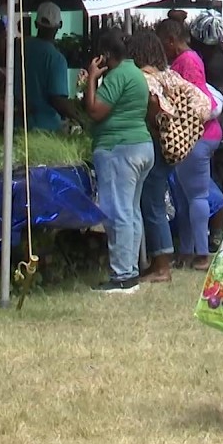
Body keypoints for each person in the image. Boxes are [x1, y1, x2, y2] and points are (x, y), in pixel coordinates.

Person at [83, 28, 154, 293]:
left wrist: (92, 78)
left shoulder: (118, 76)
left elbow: (95, 110)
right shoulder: (135, 73)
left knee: (118, 213)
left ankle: (122, 276)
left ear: (105, 54)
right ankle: (130, 272)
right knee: (131, 212)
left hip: (119, 149)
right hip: (141, 146)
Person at [157, 17, 221, 270]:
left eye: (163, 43)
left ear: (171, 40)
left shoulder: (187, 61)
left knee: (196, 196)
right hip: (197, 136)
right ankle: (186, 251)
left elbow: (196, 100)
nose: (162, 50)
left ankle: (202, 254)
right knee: (184, 198)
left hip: (197, 136)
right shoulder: (188, 59)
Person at [129, 29, 184, 283]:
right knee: (154, 202)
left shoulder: (146, 79)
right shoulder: (168, 75)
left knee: (152, 203)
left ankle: (161, 266)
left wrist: (153, 124)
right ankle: (156, 261)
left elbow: (152, 105)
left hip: (154, 143)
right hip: (170, 146)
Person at [190, 11, 223, 247]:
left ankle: (217, 234)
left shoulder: (208, 60)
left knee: (213, 181)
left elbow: (212, 102)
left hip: (216, 129)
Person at [18, 2, 77, 132]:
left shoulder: (19, 48)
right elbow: (57, 99)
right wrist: (78, 118)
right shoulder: (56, 58)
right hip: (44, 128)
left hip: (16, 124)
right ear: (60, 25)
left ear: (36, 24)